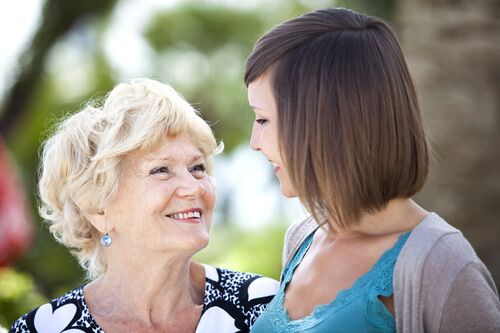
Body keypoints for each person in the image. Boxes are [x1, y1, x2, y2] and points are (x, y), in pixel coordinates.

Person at [244, 7, 500, 333]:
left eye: (263, 119)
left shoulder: (442, 264)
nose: (255, 142)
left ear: (323, 123)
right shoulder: (302, 238)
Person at [10, 78, 279, 333]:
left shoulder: (264, 308)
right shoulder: (42, 329)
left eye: (197, 168)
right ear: (97, 209)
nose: (195, 187)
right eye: (161, 170)